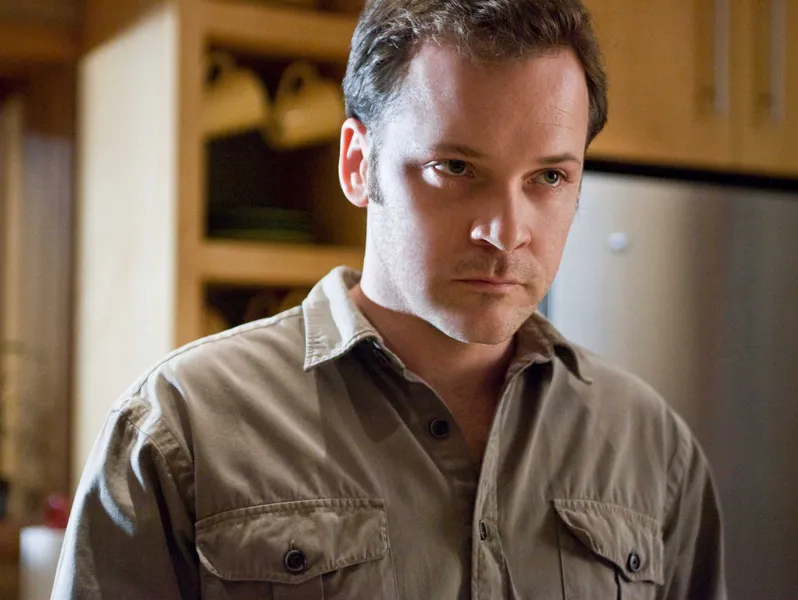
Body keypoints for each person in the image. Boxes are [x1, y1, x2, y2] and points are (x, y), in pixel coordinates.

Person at [53, 0, 727, 598]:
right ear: (357, 163)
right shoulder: (181, 428)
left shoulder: (650, 446)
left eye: (549, 177)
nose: (505, 232)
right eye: (455, 168)